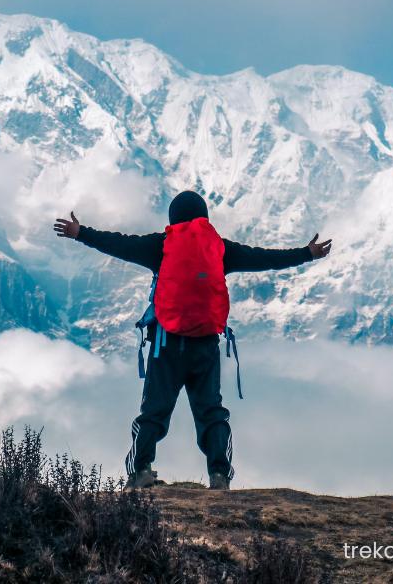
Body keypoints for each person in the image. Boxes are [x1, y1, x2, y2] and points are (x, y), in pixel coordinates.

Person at [54, 191, 331, 490]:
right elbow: (264, 258)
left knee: (154, 412)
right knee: (211, 413)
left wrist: (80, 233)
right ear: (204, 217)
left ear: (173, 217)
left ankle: (140, 472)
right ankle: (219, 475)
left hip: (166, 344)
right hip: (205, 345)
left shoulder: (160, 245)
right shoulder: (220, 249)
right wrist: (306, 253)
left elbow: (120, 243)